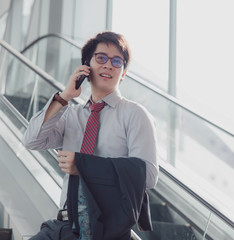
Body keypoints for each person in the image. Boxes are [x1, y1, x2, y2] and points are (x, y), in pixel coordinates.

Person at [22, 31, 159, 239]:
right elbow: (31, 140)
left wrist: (85, 167)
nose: (108, 65)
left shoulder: (135, 114)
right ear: (86, 66)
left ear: (123, 73)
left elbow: (148, 175)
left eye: (117, 61)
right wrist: (64, 96)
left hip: (107, 228)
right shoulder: (70, 114)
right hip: (65, 224)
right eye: (101, 57)